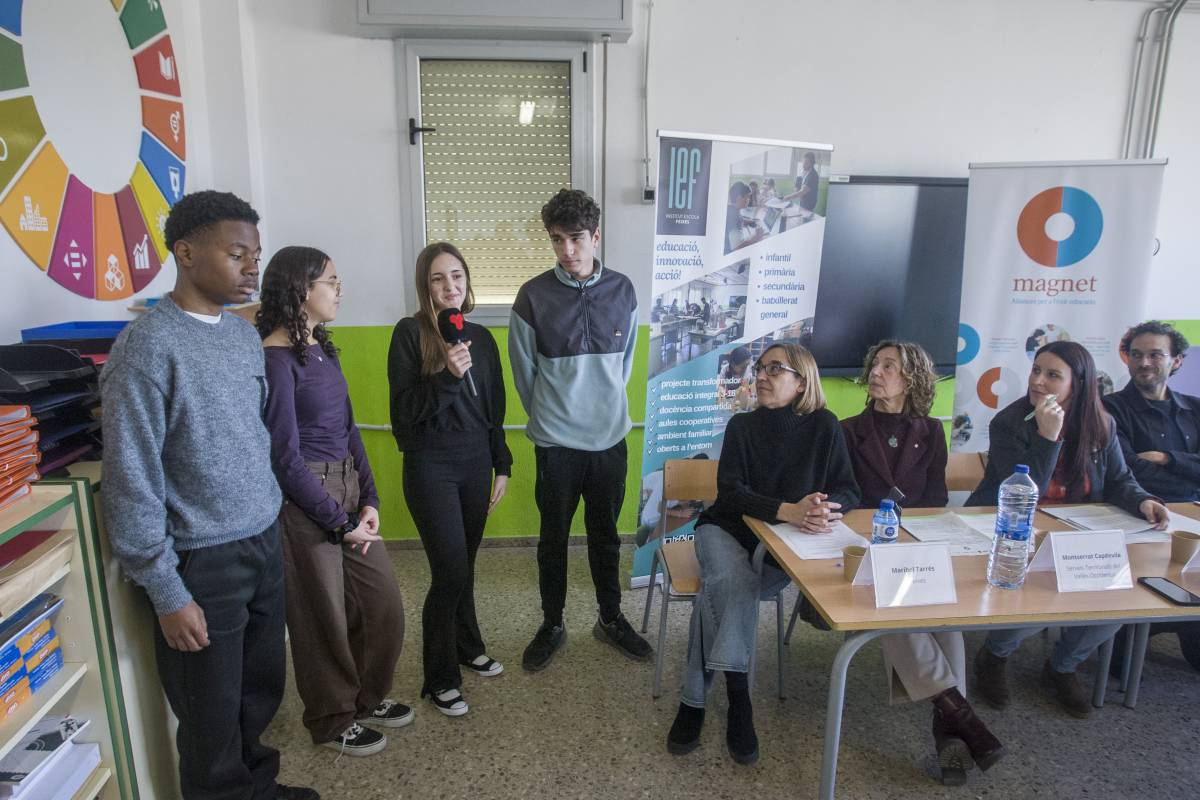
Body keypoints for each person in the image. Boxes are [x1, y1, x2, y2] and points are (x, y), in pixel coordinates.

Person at [100, 191, 318, 799]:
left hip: (259, 541)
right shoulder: (146, 348)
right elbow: (130, 478)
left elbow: (250, 438)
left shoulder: (239, 336)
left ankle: (259, 789)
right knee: (211, 716)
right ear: (186, 251)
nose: (253, 266)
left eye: (255, 253)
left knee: (258, 694)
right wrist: (166, 589)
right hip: (202, 560)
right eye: (238, 253)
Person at [666, 343, 859, 764]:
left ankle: (693, 701)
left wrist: (826, 507)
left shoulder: (825, 426)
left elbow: (848, 488)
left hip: (781, 547)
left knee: (717, 594)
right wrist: (787, 510)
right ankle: (740, 702)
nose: (763, 375)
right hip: (725, 530)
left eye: (776, 368)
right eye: (761, 368)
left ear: (802, 381)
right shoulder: (742, 426)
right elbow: (731, 494)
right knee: (733, 584)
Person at [258, 246, 409, 757]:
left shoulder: (320, 348)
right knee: (320, 617)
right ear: (302, 291)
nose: (339, 289)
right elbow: (284, 456)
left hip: (346, 488)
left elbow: (348, 429)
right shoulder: (275, 360)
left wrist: (368, 498)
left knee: (381, 602)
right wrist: (335, 518)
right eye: (331, 281)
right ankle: (331, 717)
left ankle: (368, 698)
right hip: (307, 501)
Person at [968, 341, 1169, 718]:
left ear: (1078, 383)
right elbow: (1025, 491)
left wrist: (1143, 501)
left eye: (1052, 375)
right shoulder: (1010, 423)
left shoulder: (1102, 422)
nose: (1039, 381)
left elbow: (1120, 480)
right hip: (1019, 531)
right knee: (1037, 593)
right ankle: (994, 656)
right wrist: (1048, 438)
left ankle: (1063, 665)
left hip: (1080, 535)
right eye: (1036, 371)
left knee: (1125, 597)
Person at [841, 341, 1003, 784]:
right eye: (874, 363)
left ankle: (951, 721)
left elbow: (933, 498)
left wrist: (916, 541)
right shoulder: (847, 429)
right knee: (896, 601)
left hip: (917, 542)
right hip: (866, 548)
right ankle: (960, 718)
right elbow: (846, 497)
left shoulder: (932, 430)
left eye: (888, 366)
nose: (876, 371)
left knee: (943, 614)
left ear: (911, 378)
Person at [509, 189, 652, 671]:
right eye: (557, 240)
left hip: (610, 440)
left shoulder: (624, 290)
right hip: (556, 445)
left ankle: (610, 618)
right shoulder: (532, 297)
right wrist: (553, 417)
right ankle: (552, 622)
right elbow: (524, 374)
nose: (567, 251)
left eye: (575, 239)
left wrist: (600, 408)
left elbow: (624, 365)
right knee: (553, 538)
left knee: (606, 536)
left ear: (595, 236)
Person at [389, 242, 512, 715]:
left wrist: (501, 464)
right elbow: (402, 418)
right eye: (439, 279)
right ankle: (439, 677)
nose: (450, 287)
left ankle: (468, 644)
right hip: (430, 468)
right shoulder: (409, 334)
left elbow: (494, 410)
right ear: (425, 285)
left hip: (475, 464)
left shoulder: (481, 336)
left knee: (467, 564)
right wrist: (446, 376)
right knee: (450, 571)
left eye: (457, 276)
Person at [1104, 321, 1200, 672]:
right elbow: (1127, 470)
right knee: (1120, 667)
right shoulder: (1109, 408)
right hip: (1136, 513)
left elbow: (1147, 463)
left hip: (1193, 513)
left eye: (1155, 354)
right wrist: (1186, 469)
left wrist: (1166, 457)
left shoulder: (1195, 408)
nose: (1145, 362)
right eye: (1137, 354)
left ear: (1176, 361)